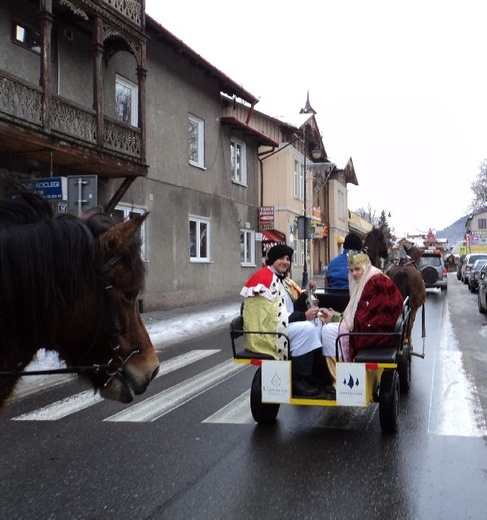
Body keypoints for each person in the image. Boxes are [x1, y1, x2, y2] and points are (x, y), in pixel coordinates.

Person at [240, 244, 324, 397]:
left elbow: (291, 308)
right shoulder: (264, 279)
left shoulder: (284, 281)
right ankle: (297, 380)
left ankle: (313, 375)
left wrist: (306, 293)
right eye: (281, 258)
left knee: (318, 325)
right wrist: (304, 316)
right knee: (307, 328)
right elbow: (273, 319)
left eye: (287, 259)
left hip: (281, 325)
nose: (285, 262)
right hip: (266, 332)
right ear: (272, 260)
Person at [321, 251, 404, 389]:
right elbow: (361, 312)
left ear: (366, 267)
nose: (354, 274)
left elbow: (365, 318)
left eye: (357, 269)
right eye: (351, 270)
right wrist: (337, 315)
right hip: (378, 327)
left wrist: (335, 318)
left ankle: (339, 381)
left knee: (328, 331)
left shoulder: (374, 282)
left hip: (377, 333)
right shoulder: (371, 278)